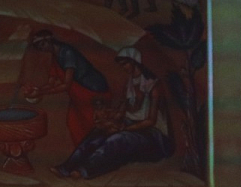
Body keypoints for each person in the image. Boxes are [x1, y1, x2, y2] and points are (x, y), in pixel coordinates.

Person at [51, 48, 173, 179]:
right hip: (132, 126)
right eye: (122, 65)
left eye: (125, 64)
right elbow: (122, 111)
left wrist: (123, 129)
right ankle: (67, 167)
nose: (124, 68)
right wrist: (108, 123)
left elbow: (150, 121)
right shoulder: (129, 83)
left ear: (134, 62)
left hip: (154, 137)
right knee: (98, 133)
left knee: (116, 139)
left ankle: (85, 170)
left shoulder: (153, 85)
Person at [22, 30, 111, 149]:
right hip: (79, 95)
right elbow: (52, 82)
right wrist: (36, 90)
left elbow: (66, 85)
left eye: (42, 44)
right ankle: (83, 152)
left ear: (49, 41)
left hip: (92, 92)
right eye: (38, 47)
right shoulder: (55, 56)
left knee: (93, 125)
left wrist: (40, 92)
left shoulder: (67, 53)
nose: (42, 48)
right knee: (74, 123)